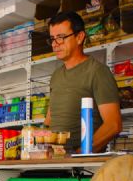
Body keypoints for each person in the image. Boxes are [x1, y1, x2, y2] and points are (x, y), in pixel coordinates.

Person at [43, 11, 122, 153]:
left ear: (79, 37)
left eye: (61, 38)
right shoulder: (56, 75)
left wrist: (80, 154)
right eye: (52, 39)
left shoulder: (97, 71)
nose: (55, 44)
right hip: (55, 161)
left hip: (82, 166)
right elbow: (49, 120)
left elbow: (113, 125)